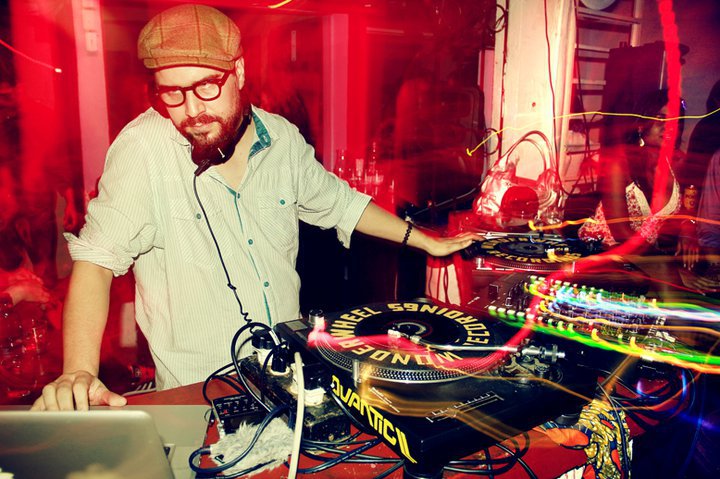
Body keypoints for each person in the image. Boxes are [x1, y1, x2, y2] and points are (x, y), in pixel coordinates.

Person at [31, 4, 477, 411]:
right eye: (172, 93)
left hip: (288, 379)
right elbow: (96, 261)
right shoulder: (142, 148)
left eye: (207, 86)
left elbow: (342, 204)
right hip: (199, 395)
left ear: (239, 72)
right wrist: (78, 371)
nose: (192, 110)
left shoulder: (282, 139)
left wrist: (426, 241)